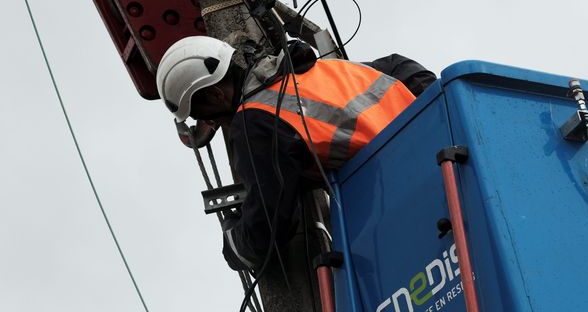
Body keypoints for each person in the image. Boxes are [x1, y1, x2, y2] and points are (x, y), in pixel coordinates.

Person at [156, 36, 436, 271]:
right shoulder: (320, 71)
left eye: (202, 115)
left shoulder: (253, 121)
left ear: (216, 95)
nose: (212, 124)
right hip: (439, 160)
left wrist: (235, 244)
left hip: (400, 204)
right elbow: (402, 67)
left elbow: (270, 220)